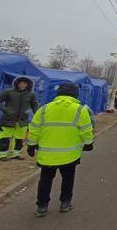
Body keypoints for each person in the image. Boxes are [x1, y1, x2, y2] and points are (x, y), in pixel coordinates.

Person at [27, 82, 94, 217]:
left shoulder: (44, 109)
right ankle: (65, 203)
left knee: (45, 180)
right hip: (70, 155)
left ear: (58, 94)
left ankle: (42, 206)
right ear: (75, 94)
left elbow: (34, 129)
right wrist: (89, 143)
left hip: (47, 155)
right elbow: (86, 130)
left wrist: (31, 145)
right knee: (68, 180)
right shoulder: (80, 110)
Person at [0, 76, 38, 161]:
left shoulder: (31, 94)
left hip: (23, 120)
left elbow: (34, 105)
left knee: (19, 138)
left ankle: (15, 154)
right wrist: (6, 110)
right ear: (17, 84)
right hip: (8, 119)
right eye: (20, 83)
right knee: (4, 137)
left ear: (28, 85)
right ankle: (2, 155)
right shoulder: (8, 92)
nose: (22, 85)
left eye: (24, 83)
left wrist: (37, 114)